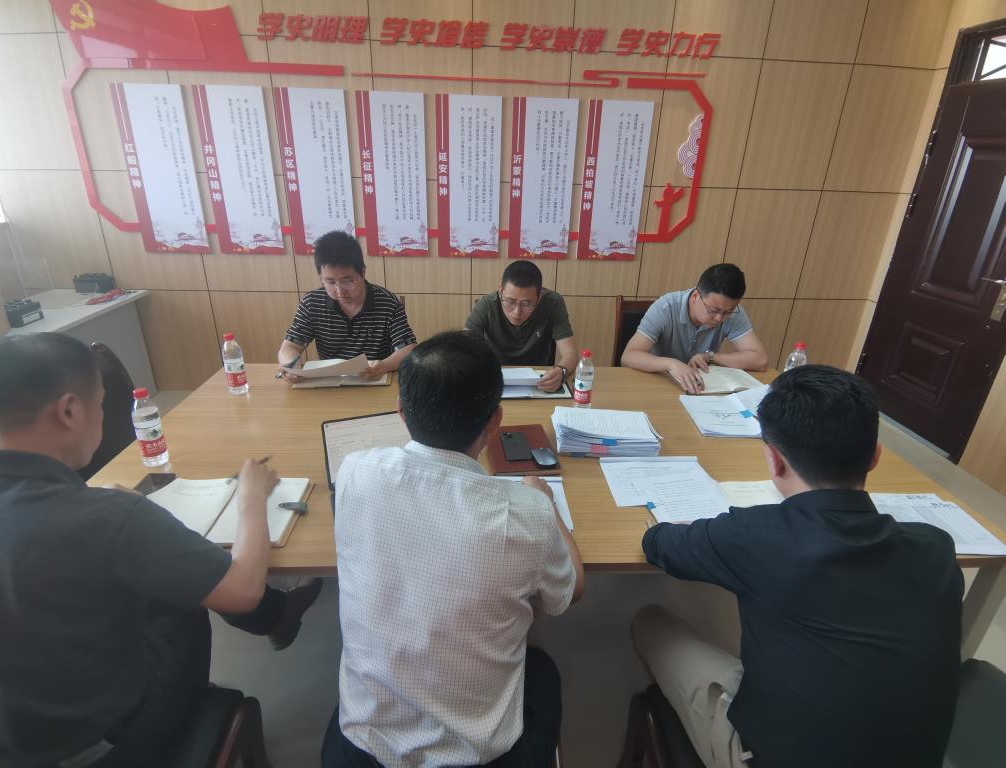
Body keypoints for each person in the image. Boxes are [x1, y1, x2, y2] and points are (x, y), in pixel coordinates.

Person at [0, 333, 323, 768]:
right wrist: (252, 499)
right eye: (101, 404)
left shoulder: (96, 514)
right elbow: (242, 591)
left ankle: (276, 618)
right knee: (180, 595)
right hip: (104, 746)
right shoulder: (109, 518)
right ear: (69, 411)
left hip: (3, 743)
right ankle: (275, 619)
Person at [632, 365, 963, 768]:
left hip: (765, 756)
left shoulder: (754, 535)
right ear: (875, 457)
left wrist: (683, 530)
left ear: (774, 460)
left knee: (649, 622)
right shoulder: (936, 548)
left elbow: (658, 544)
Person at [323, 331, 584, 767]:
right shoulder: (525, 513)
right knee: (543, 671)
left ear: (401, 411)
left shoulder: (355, 472)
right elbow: (569, 592)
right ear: (495, 420)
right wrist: (546, 504)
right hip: (480, 756)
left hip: (361, 748)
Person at [278, 230, 416, 382]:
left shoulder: (387, 302)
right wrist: (291, 365)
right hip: (330, 382)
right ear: (321, 277)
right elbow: (290, 346)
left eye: (347, 281)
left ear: (362, 272)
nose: (339, 290)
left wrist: (384, 366)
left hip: (373, 381)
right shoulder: (312, 302)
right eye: (330, 282)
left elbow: (409, 349)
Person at [620, 263, 767, 393]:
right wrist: (671, 364)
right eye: (713, 310)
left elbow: (760, 360)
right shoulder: (665, 308)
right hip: (660, 384)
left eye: (728, 312)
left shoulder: (732, 312)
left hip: (700, 389)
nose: (719, 318)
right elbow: (629, 356)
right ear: (695, 296)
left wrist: (709, 356)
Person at [466, 260, 578, 393]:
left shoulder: (553, 303)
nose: (517, 312)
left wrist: (561, 371)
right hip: (494, 378)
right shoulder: (487, 305)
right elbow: (462, 347)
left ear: (539, 297)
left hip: (539, 382)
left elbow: (570, 353)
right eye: (510, 301)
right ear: (501, 291)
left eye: (526, 304)